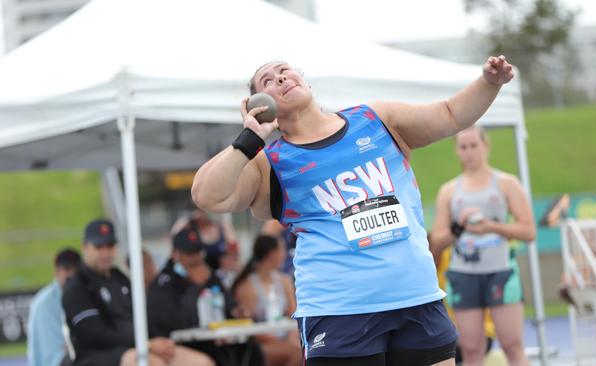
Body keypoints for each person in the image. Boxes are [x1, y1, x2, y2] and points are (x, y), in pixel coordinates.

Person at [192, 55, 514, 366]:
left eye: (285, 70)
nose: (280, 78)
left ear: (303, 79)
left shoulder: (375, 118)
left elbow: (450, 114)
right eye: (268, 80)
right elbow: (208, 196)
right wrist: (249, 138)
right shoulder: (270, 162)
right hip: (339, 312)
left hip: (416, 298)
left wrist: (488, 83)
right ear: (260, 103)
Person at [429, 127, 536, 366]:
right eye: (463, 147)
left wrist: (492, 227)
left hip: (501, 273)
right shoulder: (448, 191)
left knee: (512, 346)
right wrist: (459, 227)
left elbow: (528, 231)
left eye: (473, 145)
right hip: (464, 275)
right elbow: (437, 241)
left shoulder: (507, 183)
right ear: (457, 151)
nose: (469, 152)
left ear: (485, 146)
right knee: (472, 350)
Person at [62, 219, 214, 366]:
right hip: (99, 356)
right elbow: (95, 335)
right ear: (85, 247)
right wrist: (146, 344)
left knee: (202, 363)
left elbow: (142, 317)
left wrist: (158, 340)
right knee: (153, 363)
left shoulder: (118, 278)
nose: (105, 253)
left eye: (110, 246)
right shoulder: (77, 286)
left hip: (139, 346)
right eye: (99, 247)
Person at [147, 225, 265, 366]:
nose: (196, 258)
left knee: (253, 352)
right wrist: (194, 286)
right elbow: (173, 323)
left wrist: (237, 311)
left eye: (198, 252)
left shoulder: (207, 273)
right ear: (176, 254)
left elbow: (227, 303)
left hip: (214, 339)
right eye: (190, 253)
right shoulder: (164, 283)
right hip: (182, 344)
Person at [232, 234, 302, 366]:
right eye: (281, 249)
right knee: (297, 353)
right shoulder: (246, 286)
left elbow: (293, 314)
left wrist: (291, 337)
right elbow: (248, 325)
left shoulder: (284, 280)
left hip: (286, 339)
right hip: (260, 344)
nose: (284, 254)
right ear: (271, 254)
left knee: (302, 350)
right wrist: (281, 341)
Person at [28, 248, 81, 366]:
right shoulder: (45, 303)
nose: (71, 274)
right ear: (56, 272)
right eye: (67, 269)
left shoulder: (81, 295)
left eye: (75, 269)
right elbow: (54, 354)